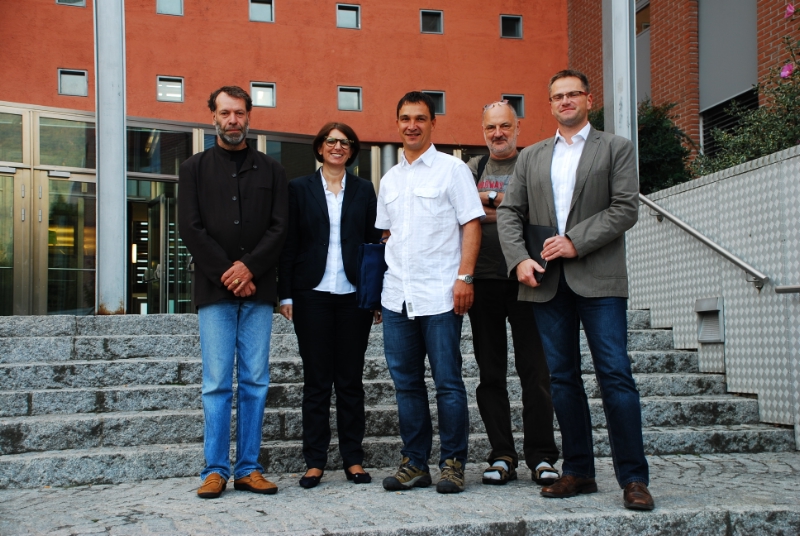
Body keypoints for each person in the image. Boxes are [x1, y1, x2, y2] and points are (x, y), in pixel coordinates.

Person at [496, 70, 655, 511]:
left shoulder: (616, 148)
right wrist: (518, 259)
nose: (565, 101)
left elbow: (625, 208)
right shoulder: (532, 157)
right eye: (557, 96)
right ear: (549, 104)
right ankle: (579, 470)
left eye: (572, 94)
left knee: (615, 375)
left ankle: (634, 478)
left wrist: (574, 241)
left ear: (588, 98)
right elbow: (510, 212)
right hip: (546, 282)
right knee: (562, 379)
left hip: (599, 279)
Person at [179, 86, 288, 499]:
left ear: (249, 117)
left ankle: (248, 468)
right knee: (216, 383)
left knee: (256, 381)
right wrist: (230, 272)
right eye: (225, 113)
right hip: (215, 291)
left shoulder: (272, 170)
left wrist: (249, 268)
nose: (233, 121)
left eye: (239, 113)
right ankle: (214, 470)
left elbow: (280, 227)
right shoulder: (193, 168)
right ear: (213, 116)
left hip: (259, 291)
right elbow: (190, 228)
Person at [377, 91, 485, 494]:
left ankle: (453, 463)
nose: (412, 126)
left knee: (448, 383)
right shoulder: (389, 179)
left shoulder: (452, 170)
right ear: (397, 122)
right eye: (405, 118)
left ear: (433, 123)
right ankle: (415, 463)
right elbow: (387, 235)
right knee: (406, 385)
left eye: (420, 118)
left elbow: (471, 224)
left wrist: (465, 278)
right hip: (397, 297)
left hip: (440, 295)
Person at [278, 122, 382, 489]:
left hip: (353, 295)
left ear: (352, 150)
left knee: (351, 380)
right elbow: (289, 243)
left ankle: (353, 458)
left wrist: (374, 296)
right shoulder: (298, 188)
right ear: (320, 147)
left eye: (345, 142)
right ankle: (315, 462)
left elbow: (373, 245)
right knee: (317, 380)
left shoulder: (364, 189)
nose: (338, 147)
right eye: (331, 141)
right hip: (312, 294)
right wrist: (285, 294)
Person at [466, 101, 560, 487]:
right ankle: (502, 454)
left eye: (505, 126)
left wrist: (487, 203)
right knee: (490, 373)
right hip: (484, 279)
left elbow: (540, 211)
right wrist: (508, 205)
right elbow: (466, 213)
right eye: (491, 127)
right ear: (483, 130)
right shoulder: (472, 168)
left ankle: (542, 455)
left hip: (528, 278)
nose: (498, 133)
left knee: (535, 372)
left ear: (517, 127)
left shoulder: (533, 163)